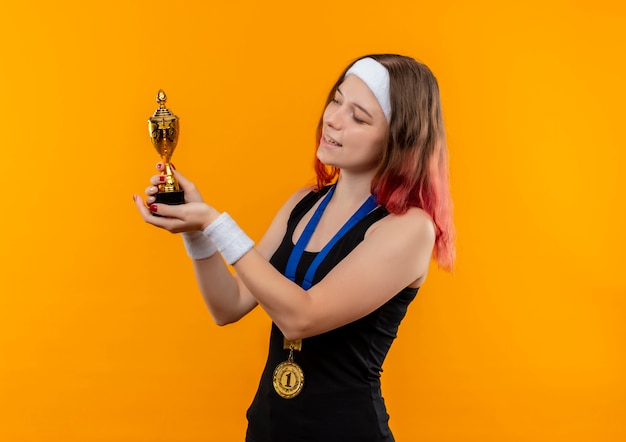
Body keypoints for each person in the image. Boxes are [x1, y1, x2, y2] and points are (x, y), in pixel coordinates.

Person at [134, 54, 455, 442]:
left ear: (398, 139)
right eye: (336, 101)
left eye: (359, 117)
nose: (333, 119)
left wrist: (216, 224)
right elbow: (228, 305)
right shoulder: (304, 202)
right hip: (269, 429)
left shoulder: (408, 228)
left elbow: (302, 317)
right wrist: (195, 231)